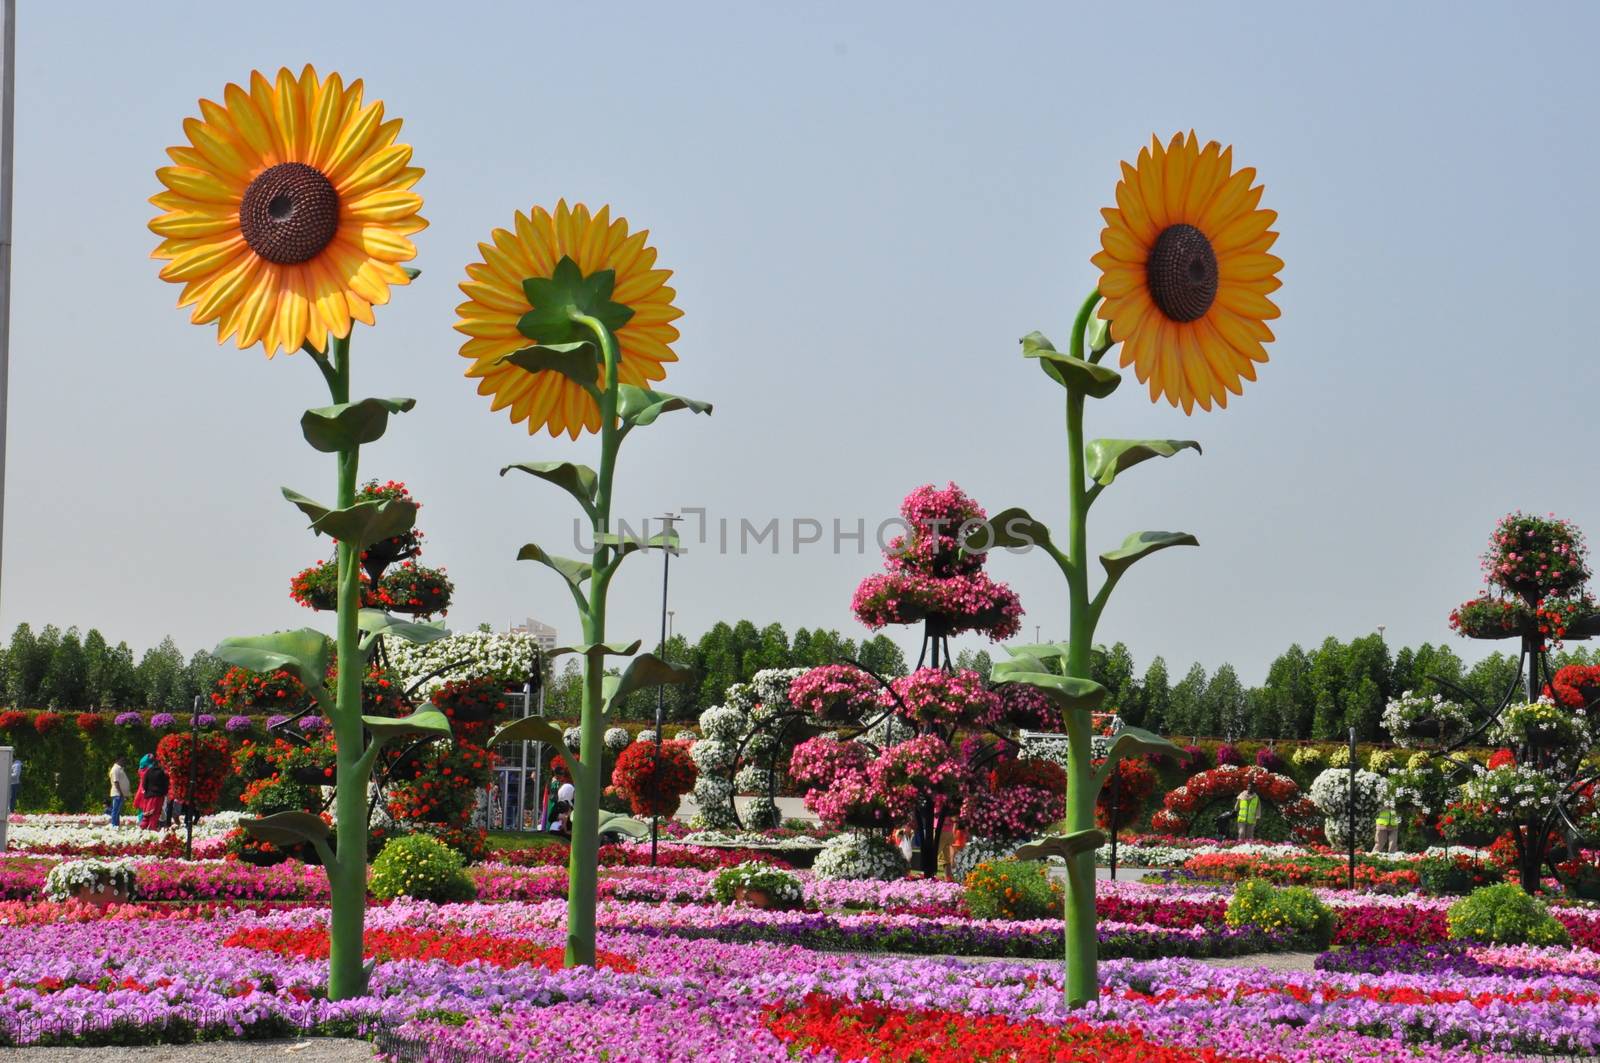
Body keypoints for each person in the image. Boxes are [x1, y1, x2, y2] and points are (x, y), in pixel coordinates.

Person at [141, 757, 170, 830]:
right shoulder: (162, 773)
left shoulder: (148, 771)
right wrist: (165, 794)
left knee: (146, 815)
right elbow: (165, 785)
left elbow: (144, 784)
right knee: (155, 814)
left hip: (148, 796)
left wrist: (147, 791)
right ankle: (152, 829)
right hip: (158, 796)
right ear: (159, 763)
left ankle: (142, 829)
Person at [109, 757, 132, 826]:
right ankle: (113, 824)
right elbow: (116, 782)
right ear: (117, 760)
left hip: (120, 794)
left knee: (118, 811)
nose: (124, 762)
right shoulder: (115, 769)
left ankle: (116, 824)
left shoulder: (120, 769)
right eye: (122, 760)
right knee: (115, 810)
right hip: (117, 794)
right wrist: (121, 793)